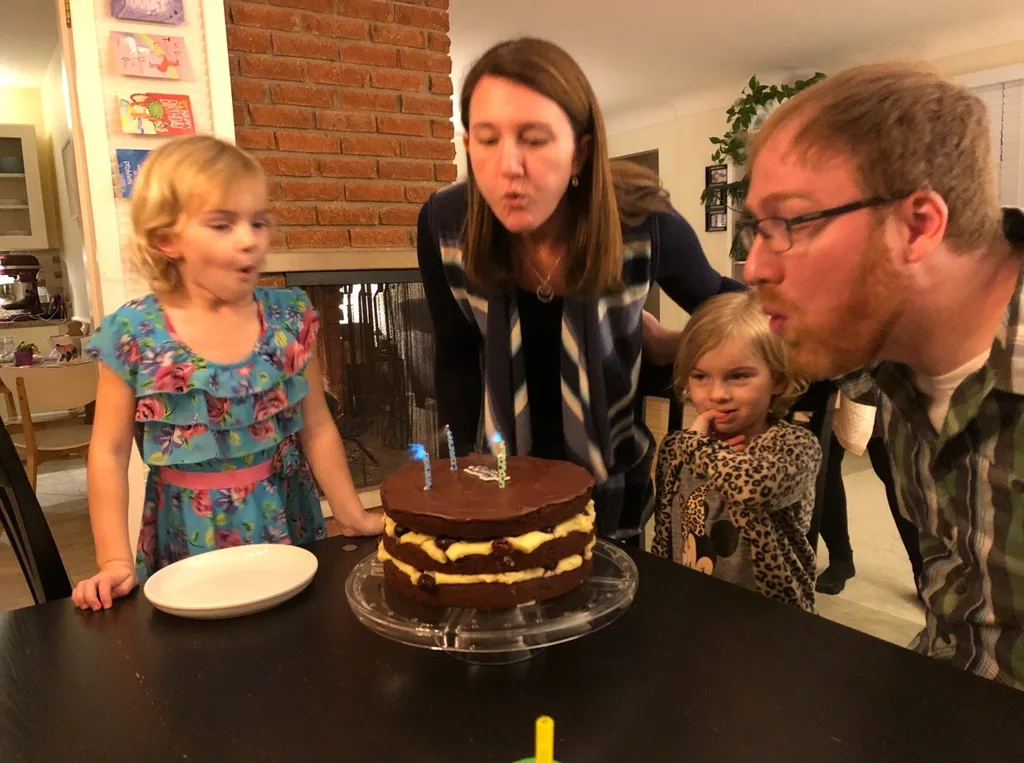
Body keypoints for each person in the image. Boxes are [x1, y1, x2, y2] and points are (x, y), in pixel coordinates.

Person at [741, 61, 1024, 687]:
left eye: (791, 222)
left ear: (918, 226)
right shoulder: (889, 353)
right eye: (755, 229)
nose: (753, 266)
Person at [417, 37, 741, 539]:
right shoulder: (444, 223)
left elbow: (730, 311)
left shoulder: (643, 221)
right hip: (499, 479)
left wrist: (677, 345)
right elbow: (455, 359)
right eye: (487, 139)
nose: (508, 166)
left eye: (534, 139)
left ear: (580, 153)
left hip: (613, 480)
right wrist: (458, 475)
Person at [72, 136, 382, 611]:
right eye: (222, 224)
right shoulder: (132, 334)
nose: (249, 239)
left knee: (298, 632)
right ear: (167, 239)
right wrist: (113, 559)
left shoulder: (289, 319)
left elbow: (317, 427)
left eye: (258, 222)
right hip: (188, 534)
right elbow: (109, 453)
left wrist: (350, 512)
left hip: (287, 517)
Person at [651, 292, 820, 611]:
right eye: (700, 376)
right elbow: (664, 530)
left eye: (738, 376)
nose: (717, 394)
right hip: (692, 604)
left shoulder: (795, 447)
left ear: (778, 380)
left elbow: (755, 488)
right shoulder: (678, 447)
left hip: (770, 616)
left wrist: (695, 448)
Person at [815, 417, 923, 596]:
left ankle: (924, 571)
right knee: (825, 463)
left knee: (891, 467)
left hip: (878, 402)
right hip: (829, 401)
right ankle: (840, 559)